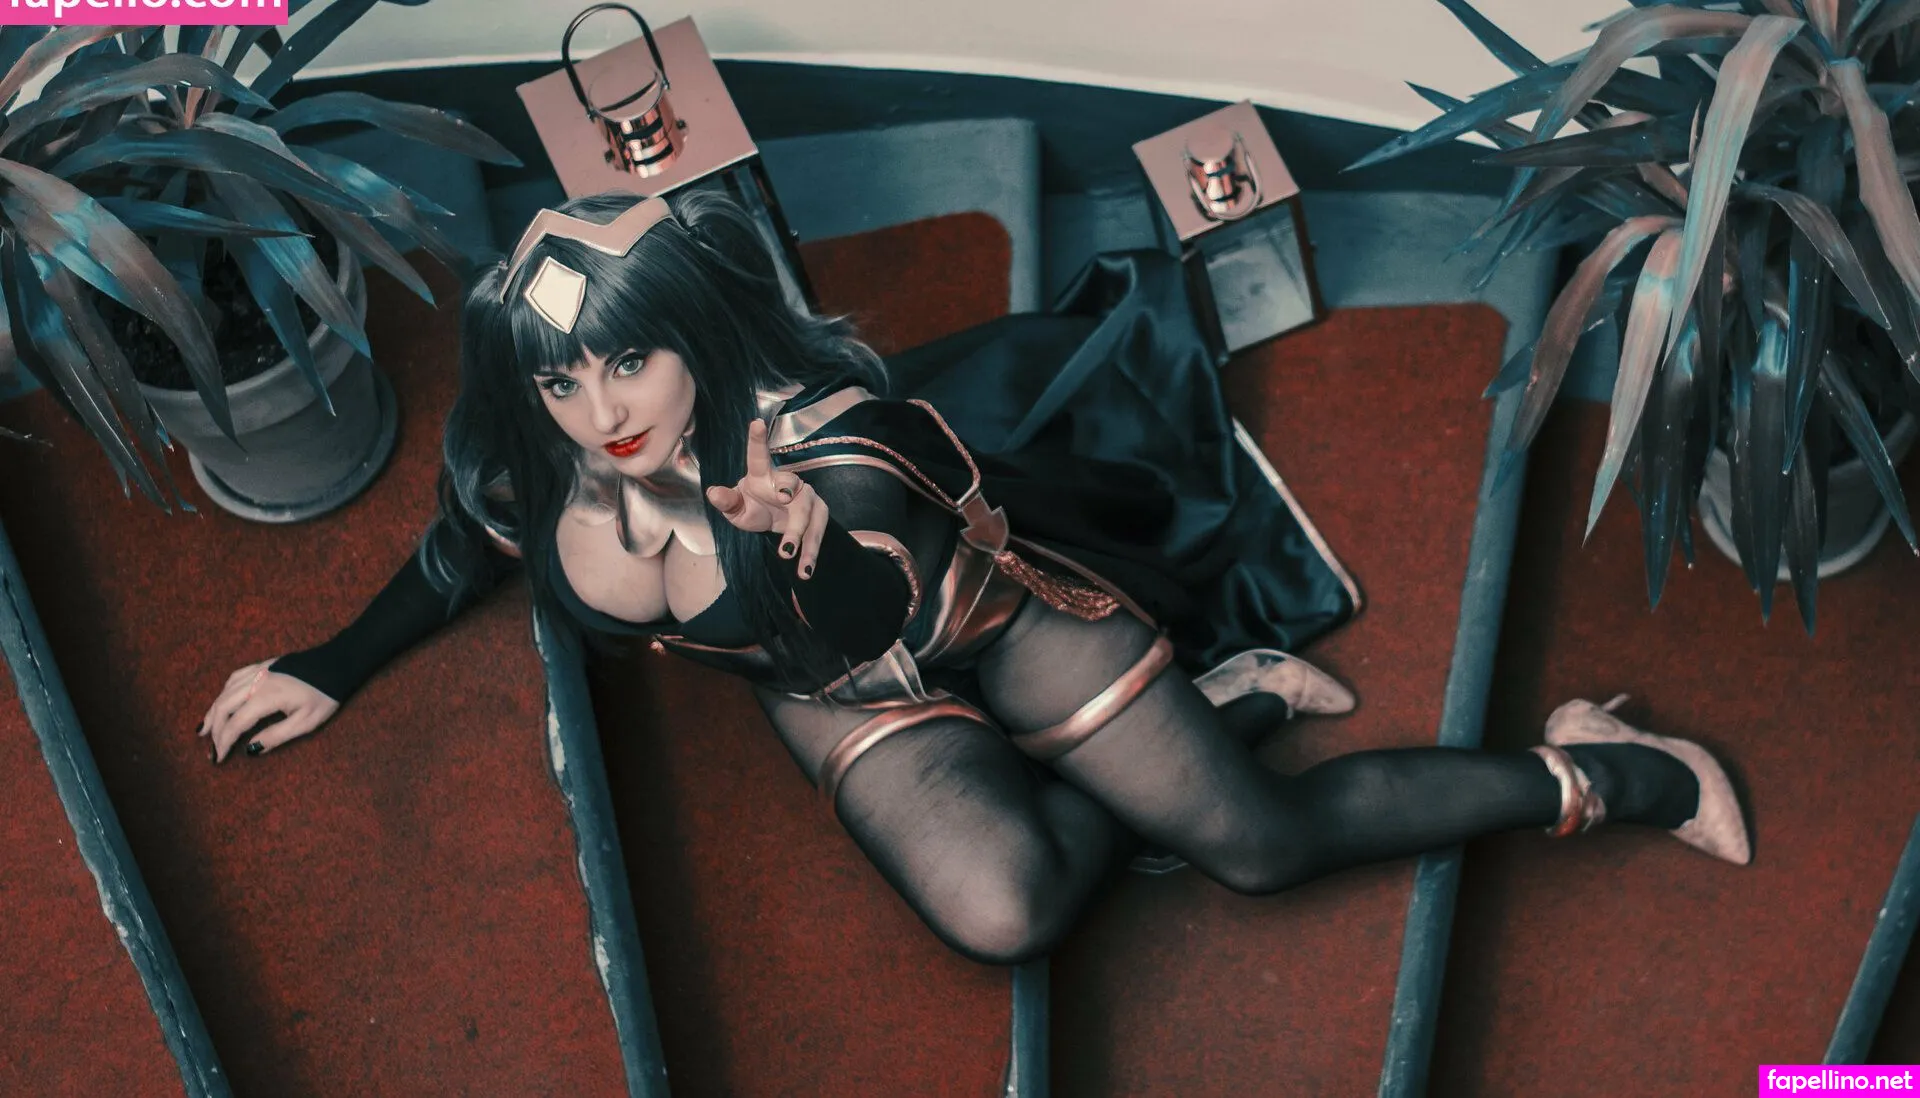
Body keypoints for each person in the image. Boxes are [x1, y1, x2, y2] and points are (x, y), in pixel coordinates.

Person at [194, 188, 1750, 967]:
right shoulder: (542, 467)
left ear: (697, 339)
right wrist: (330, 661)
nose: (603, 410)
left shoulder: (837, 443)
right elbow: (467, 542)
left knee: (1259, 850)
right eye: (562, 379)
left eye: (631, 359)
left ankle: (1614, 766)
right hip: (830, 695)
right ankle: (1226, 708)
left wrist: (792, 533)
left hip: (994, 624)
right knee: (1003, 913)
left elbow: (868, 609)